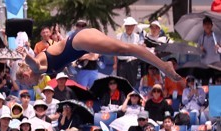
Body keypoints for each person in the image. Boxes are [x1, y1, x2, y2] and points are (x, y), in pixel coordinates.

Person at [16, 27, 180, 88]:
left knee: (125, 50)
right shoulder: (44, 70)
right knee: (124, 50)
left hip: (79, 42)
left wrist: (25, 56)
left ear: (25, 74)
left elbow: (33, 62)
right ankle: (152, 48)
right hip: (80, 43)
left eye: (26, 83)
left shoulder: (37, 66)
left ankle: (163, 65)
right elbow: (59, 59)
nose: (29, 86)